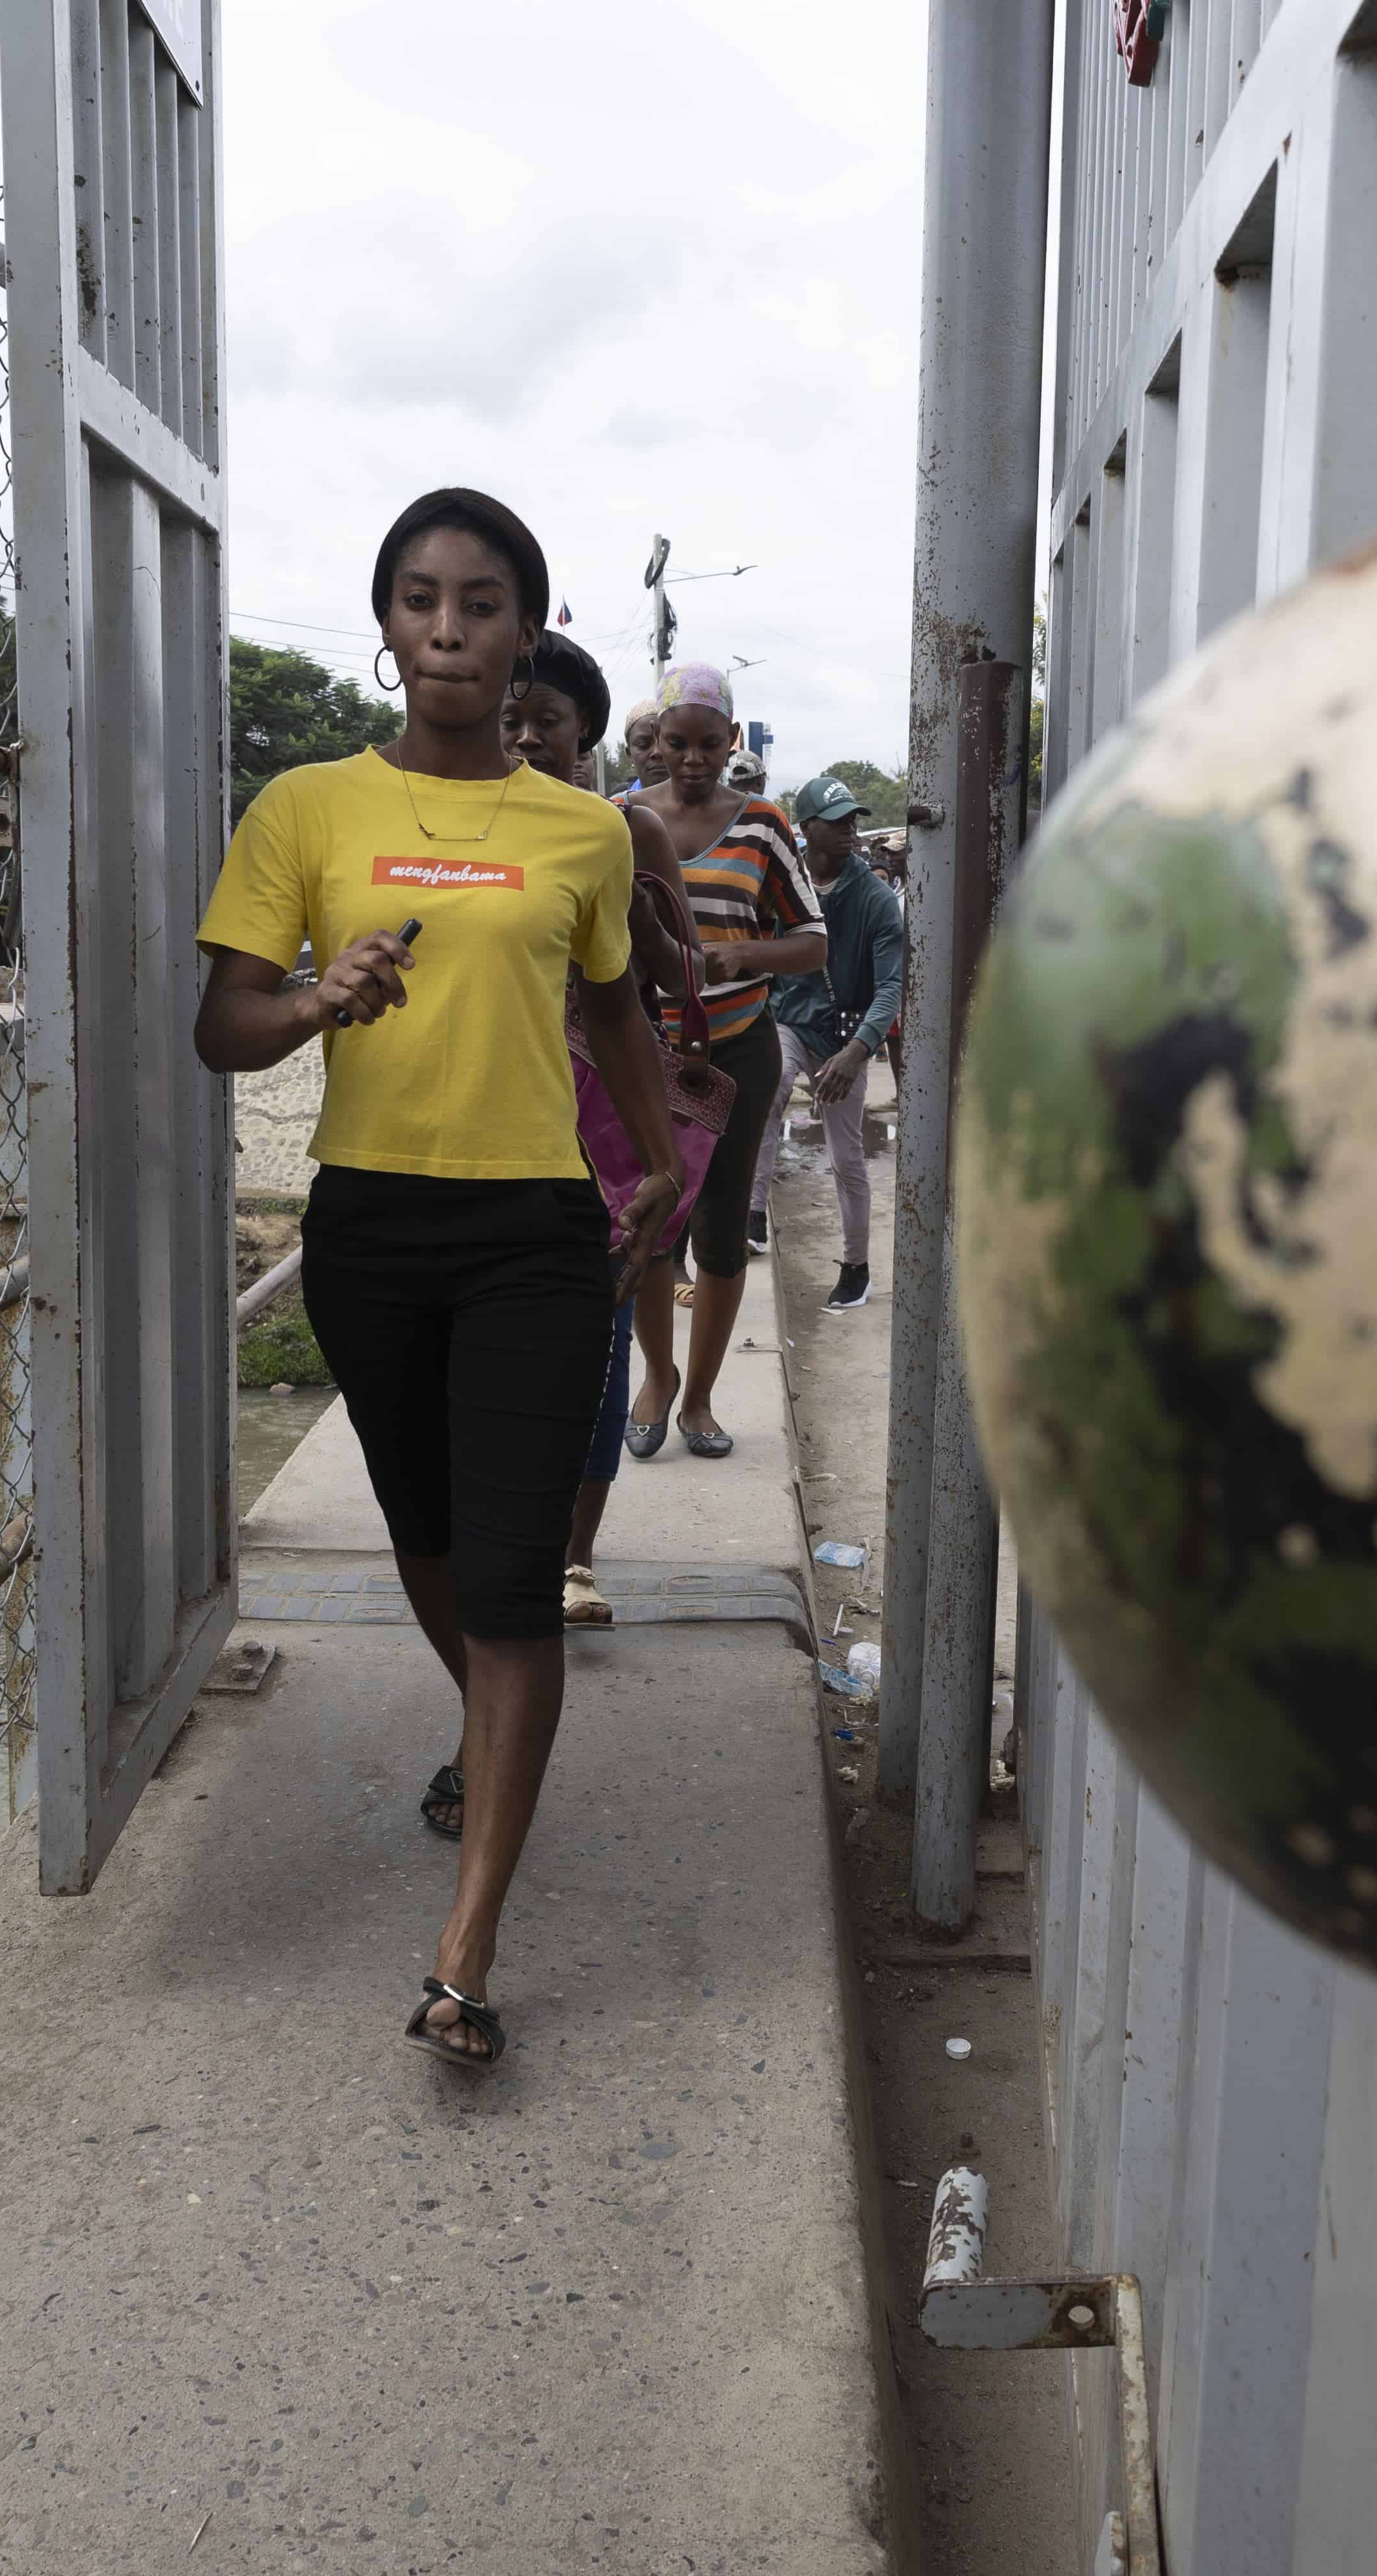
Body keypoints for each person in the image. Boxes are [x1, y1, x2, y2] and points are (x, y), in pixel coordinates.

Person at [191, 488, 684, 2072]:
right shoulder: (306, 810)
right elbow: (226, 1027)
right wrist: (323, 994)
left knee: (517, 1571)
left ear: (525, 628)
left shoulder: (586, 831)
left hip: (535, 1228)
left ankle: (467, 1951)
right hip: (376, 1231)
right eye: (420, 601)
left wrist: (659, 1152)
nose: (451, 629)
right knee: (432, 1544)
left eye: (482, 603)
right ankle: (485, 1737)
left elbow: (612, 1003)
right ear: (390, 624)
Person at [500, 630, 699, 1630]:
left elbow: (678, 978)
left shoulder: (627, 830)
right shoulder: (466, 827)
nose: (529, 740)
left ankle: (574, 1561)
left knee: (597, 1345)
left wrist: (626, 902)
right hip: (493, 1119)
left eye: (549, 724)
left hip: (604, 1132)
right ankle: (503, 1543)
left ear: (586, 737)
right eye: (513, 721)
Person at [626, 665, 824, 1463]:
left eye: (710, 742)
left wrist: (726, 962)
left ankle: (700, 1397)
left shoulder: (764, 826)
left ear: (731, 740)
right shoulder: (622, 820)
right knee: (644, 1226)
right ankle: (657, 1377)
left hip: (735, 1052)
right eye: (677, 742)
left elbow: (812, 942)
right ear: (654, 743)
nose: (694, 758)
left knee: (719, 1230)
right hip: (639, 1051)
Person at [745, 774, 899, 1309]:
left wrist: (857, 1053)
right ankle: (754, 1213)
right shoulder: (781, 885)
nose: (851, 831)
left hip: (846, 1035)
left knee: (847, 1156)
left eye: (854, 820)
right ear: (806, 829)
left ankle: (857, 1267)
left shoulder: (877, 899)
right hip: (789, 1019)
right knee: (771, 1088)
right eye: (837, 824)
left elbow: (892, 988)